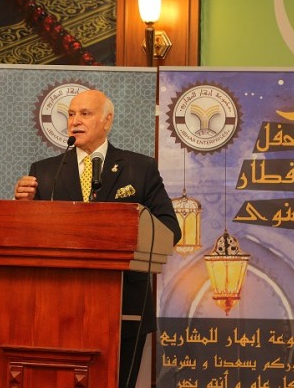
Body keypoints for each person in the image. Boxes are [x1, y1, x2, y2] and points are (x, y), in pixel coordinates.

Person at [14, 89, 181, 388]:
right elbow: (27, 237)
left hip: (125, 303)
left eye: (85, 114)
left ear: (107, 120)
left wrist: (121, 233)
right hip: (59, 305)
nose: (75, 121)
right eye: (71, 114)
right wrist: (24, 208)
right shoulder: (45, 172)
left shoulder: (140, 168)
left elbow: (169, 228)